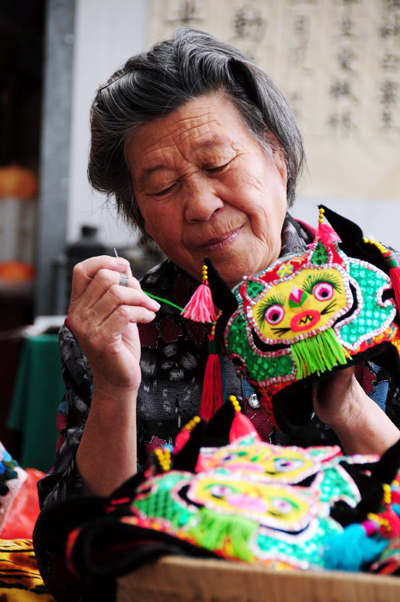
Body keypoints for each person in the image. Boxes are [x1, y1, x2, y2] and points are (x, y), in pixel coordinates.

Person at [37, 28, 400, 512]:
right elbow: (78, 542)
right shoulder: (119, 329)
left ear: (277, 157)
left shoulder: (382, 289)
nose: (201, 205)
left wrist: (349, 408)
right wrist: (114, 390)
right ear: (139, 214)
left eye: (217, 163)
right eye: (164, 187)